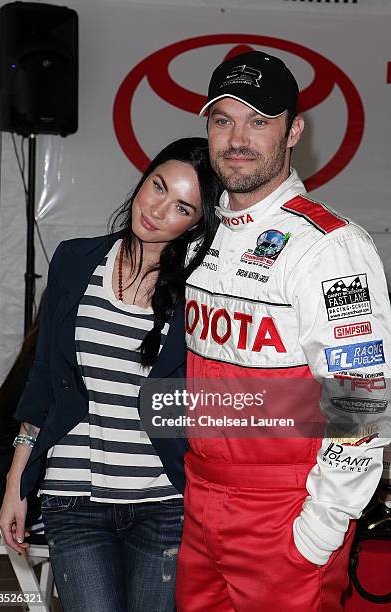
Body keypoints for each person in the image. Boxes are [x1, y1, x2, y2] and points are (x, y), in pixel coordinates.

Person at [176, 51, 391, 611]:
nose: (237, 138)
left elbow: (361, 397)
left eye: (260, 121)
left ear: (294, 130)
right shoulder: (202, 235)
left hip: (285, 511)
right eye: (223, 120)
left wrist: (319, 528)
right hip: (200, 502)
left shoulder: (329, 247)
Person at [0, 137, 221, 612]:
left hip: (164, 502)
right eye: (157, 186)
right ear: (144, 178)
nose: (158, 210)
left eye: (181, 207)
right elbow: (43, 378)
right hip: (72, 495)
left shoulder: (201, 294)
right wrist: (17, 480)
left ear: (197, 225)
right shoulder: (74, 260)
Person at [0, 301, 44, 540]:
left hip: (15, 484)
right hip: (22, 500)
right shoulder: (40, 370)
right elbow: (34, 427)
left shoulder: (32, 356)